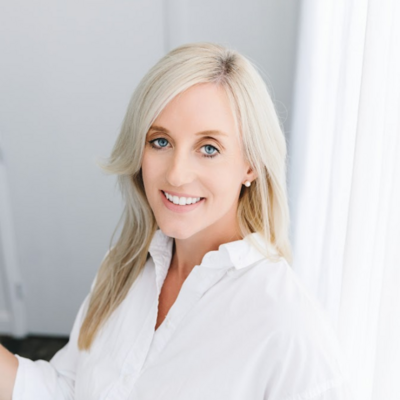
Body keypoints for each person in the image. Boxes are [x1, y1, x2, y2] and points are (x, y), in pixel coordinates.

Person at [0, 42, 353, 400]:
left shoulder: (288, 326)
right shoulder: (122, 269)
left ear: (251, 165)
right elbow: (71, 390)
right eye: (160, 141)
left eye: (209, 148)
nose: (177, 174)